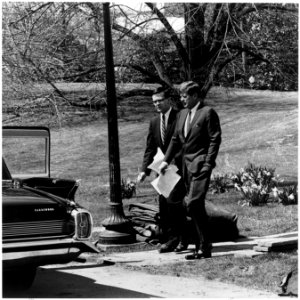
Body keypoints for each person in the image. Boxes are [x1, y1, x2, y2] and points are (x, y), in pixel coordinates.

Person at [159, 81, 222, 260]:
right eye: (181, 96)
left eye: (185, 96)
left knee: (193, 203)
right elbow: (175, 140)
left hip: (201, 166)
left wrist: (208, 164)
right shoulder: (182, 114)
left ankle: (204, 245)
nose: (182, 99)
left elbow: (214, 140)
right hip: (185, 168)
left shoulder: (207, 113)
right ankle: (201, 244)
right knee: (188, 205)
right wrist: (165, 161)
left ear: (195, 96)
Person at [137, 86, 187, 253]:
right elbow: (150, 148)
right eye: (154, 102)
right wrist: (144, 170)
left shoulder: (180, 116)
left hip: (177, 169)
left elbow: (184, 142)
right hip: (162, 171)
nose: (157, 104)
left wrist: (173, 161)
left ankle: (179, 239)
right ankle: (169, 238)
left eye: (159, 101)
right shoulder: (154, 122)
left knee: (175, 204)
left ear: (168, 100)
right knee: (164, 206)